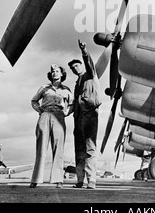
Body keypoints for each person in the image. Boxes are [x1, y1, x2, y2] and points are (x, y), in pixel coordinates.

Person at [29, 64, 73, 188]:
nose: (54, 73)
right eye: (53, 71)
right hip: (45, 115)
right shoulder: (44, 88)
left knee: (58, 148)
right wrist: (40, 111)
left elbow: (72, 104)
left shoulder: (66, 90)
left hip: (59, 116)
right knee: (41, 148)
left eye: (57, 71)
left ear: (62, 74)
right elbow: (34, 101)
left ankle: (58, 180)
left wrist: (66, 112)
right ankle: (35, 179)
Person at [68, 39, 101, 189]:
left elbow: (89, 62)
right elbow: (75, 102)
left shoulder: (90, 74)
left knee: (90, 149)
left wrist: (84, 51)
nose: (75, 69)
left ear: (81, 65)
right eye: (72, 68)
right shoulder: (77, 84)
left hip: (90, 115)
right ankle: (80, 180)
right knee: (79, 149)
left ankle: (92, 180)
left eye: (76, 66)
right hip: (78, 117)